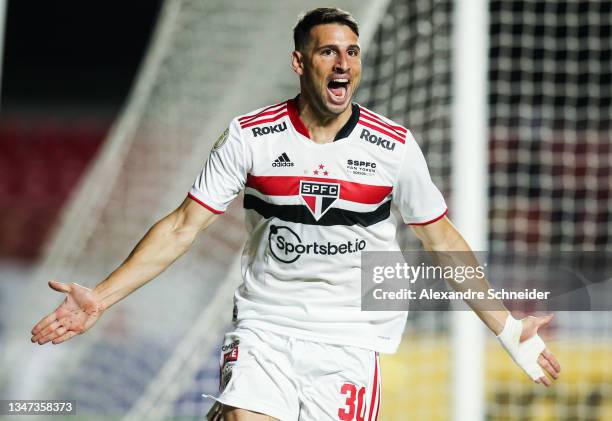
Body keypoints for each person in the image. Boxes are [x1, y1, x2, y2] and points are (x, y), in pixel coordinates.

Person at [31, 7, 561, 421]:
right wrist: (100, 296)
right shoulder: (251, 136)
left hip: (350, 339)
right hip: (266, 327)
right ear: (299, 62)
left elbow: (442, 239)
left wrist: (508, 330)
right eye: (328, 52)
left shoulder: (392, 145)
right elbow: (181, 226)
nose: (343, 63)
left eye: (352, 52)